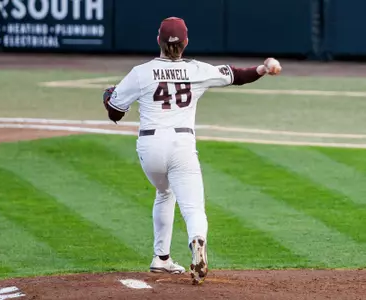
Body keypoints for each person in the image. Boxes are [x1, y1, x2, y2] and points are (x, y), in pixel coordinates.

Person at [102, 17, 281, 285]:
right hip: (181, 145)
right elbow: (236, 75)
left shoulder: (141, 72)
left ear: (158, 40)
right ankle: (196, 239)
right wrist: (263, 68)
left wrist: (108, 95)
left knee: (164, 191)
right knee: (193, 206)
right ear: (186, 43)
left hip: (149, 148)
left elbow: (115, 112)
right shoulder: (197, 70)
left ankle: (161, 258)